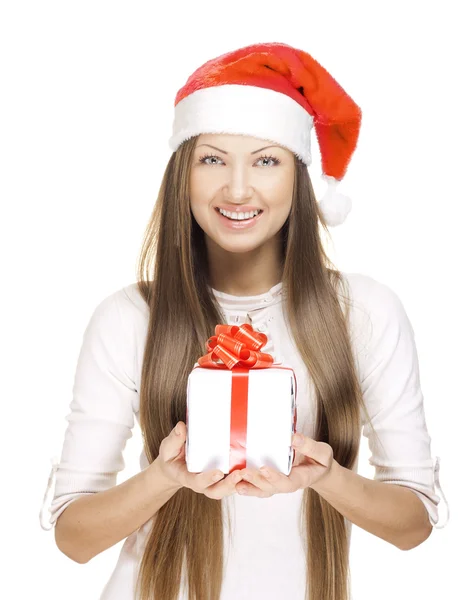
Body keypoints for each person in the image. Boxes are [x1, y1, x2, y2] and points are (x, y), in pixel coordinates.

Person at [39, 42, 450, 600]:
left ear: (300, 179)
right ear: (183, 174)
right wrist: (167, 477)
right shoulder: (128, 318)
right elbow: (74, 537)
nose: (236, 189)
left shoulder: (365, 314)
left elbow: (414, 524)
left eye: (266, 160)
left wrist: (324, 476)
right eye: (212, 158)